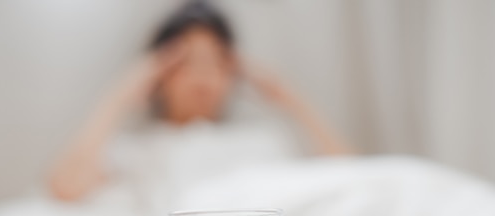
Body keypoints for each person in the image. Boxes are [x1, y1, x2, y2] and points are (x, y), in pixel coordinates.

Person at [49, 0, 351, 202]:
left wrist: (288, 97)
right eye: (185, 63)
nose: (202, 77)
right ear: (157, 78)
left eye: (215, 62)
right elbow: (66, 188)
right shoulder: (139, 150)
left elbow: (351, 178)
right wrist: (120, 94)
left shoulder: (261, 141)